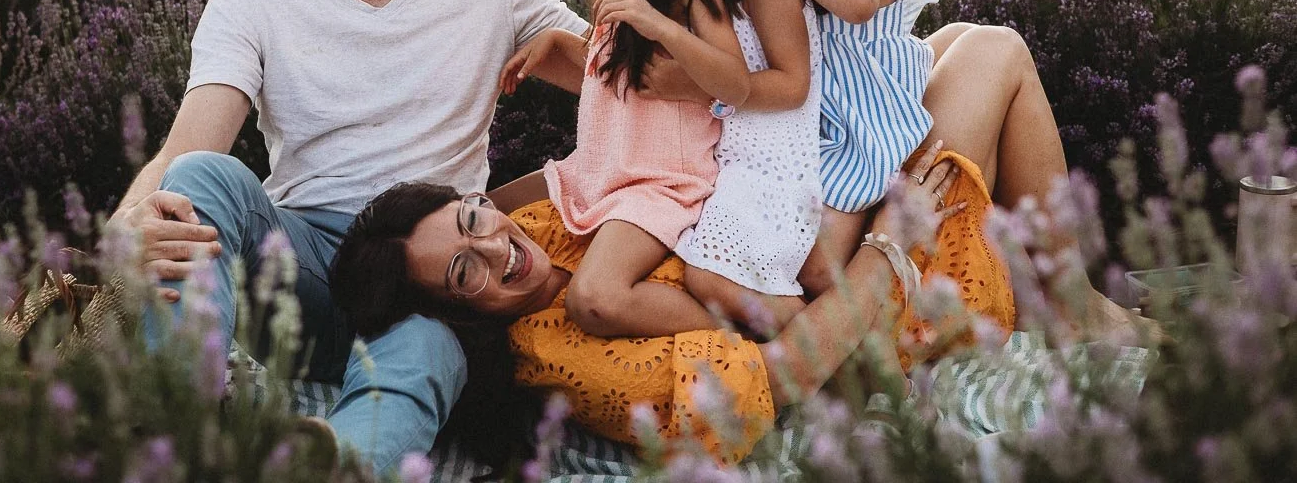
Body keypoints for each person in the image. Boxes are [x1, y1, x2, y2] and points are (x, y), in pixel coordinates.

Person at [106, 0, 589, 474]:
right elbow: (189, 147)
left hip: (435, 271)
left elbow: (622, 81)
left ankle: (339, 463)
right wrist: (123, 226)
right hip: (301, 262)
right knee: (200, 177)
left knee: (427, 348)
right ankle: (189, 411)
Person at [333, 141, 983, 466]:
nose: (497, 249)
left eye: (474, 218)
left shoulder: (536, 222)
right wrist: (891, 245)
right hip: (878, 304)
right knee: (992, 54)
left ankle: (1086, 312)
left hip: (829, 224)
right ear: (457, 315)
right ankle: (1081, 314)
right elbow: (787, 373)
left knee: (956, 44)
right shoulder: (565, 354)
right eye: (462, 272)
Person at [499, 0, 752, 339]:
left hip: (659, 183)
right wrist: (561, 44)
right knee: (483, 211)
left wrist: (656, 21)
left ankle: (747, 335)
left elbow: (735, 82)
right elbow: (621, 76)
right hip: (596, 168)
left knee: (595, 300)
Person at [739, 0, 944, 295]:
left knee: (816, 268)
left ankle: (859, 320)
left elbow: (859, 5)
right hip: (838, 120)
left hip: (865, 123)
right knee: (806, 257)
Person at [671, 0, 827, 334]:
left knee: (712, 278)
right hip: (744, 148)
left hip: (778, 156)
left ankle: (830, 350)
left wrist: (709, 90)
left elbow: (792, 86)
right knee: (709, 273)